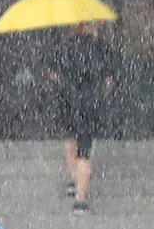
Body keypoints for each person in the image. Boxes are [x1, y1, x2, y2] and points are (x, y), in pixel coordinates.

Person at [50, 22, 121, 216]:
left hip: (69, 101)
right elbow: (108, 80)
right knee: (85, 151)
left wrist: (65, 87)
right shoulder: (100, 49)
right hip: (89, 103)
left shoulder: (65, 48)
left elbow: (54, 75)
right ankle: (80, 201)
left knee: (70, 141)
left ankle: (75, 180)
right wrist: (101, 93)